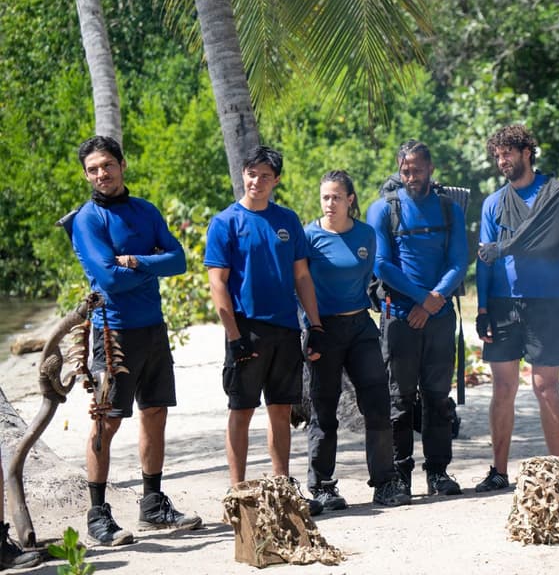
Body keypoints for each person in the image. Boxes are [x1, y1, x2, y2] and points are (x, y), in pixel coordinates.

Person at [69, 136, 202, 546]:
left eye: (107, 165)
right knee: (105, 421)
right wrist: (151, 266)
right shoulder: (87, 220)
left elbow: (178, 260)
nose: (101, 174)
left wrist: (138, 261)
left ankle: (152, 505)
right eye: (92, 169)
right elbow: (108, 279)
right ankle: (97, 514)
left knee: (156, 412)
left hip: (152, 328)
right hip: (113, 332)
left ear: (122, 164)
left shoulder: (144, 210)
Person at [205, 146, 324, 512]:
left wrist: (315, 325)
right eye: (252, 173)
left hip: (286, 328)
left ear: (276, 180)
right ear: (243, 174)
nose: (257, 181)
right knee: (241, 410)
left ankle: (283, 487)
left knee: (280, 410)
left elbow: (301, 276)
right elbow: (218, 283)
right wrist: (234, 336)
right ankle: (237, 492)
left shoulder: (287, 220)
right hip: (246, 329)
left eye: (265, 176)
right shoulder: (226, 222)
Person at [473, 125, 559, 492]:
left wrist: (505, 247)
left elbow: (555, 241)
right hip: (502, 303)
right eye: (498, 155)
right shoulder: (493, 203)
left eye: (508, 153)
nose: (502, 161)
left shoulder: (555, 194)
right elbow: (485, 258)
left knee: (545, 387)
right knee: (503, 388)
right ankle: (499, 471)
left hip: (545, 301)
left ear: (527, 152)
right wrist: (483, 307)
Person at [303, 171, 412, 510]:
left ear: (350, 199)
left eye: (336, 196)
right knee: (324, 410)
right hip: (323, 330)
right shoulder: (309, 236)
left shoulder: (366, 234)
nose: (330, 203)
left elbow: (367, 280)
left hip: (361, 327)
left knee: (378, 404)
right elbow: (299, 286)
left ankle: (384, 482)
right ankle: (322, 486)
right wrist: (310, 329)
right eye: (325, 197)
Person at [367, 143, 468, 498]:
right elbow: (381, 263)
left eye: (418, 169)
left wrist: (432, 301)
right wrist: (421, 299)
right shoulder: (383, 210)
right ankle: (400, 474)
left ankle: (438, 472)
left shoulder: (449, 209)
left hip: (438, 317)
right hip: (399, 318)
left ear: (430, 168)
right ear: (399, 169)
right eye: (405, 170)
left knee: (438, 397)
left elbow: (459, 261)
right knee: (400, 398)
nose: (411, 176)